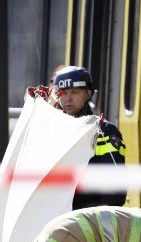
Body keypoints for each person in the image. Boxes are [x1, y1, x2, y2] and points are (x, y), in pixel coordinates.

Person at [52, 66, 127, 209]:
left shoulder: (105, 132)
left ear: (88, 93)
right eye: (63, 93)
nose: (68, 98)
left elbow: (115, 191)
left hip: (90, 219)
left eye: (75, 92)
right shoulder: (51, 131)